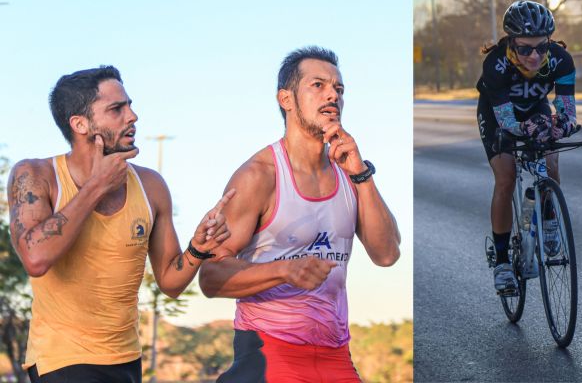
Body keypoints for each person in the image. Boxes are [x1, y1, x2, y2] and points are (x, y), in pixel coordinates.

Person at [7, 66, 234, 383]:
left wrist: (198, 249)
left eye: (129, 105)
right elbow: (36, 258)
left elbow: (170, 282)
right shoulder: (35, 175)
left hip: (127, 359)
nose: (133, 116)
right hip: (62, 359)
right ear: (80, 124)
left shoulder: (151, 185)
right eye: (117, 109)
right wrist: (95, 187)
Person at [199, 46, 401, 382]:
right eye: (317, 85)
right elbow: (210, 276)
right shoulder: (259, 176)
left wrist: (362, 174)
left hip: (336, 354)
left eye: (338, 89)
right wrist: (284, 270)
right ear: (286, 99)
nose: (332, 96)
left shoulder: (350, 171)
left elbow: (387, 254)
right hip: (270, 350)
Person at [476, 0, 577, 294]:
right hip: (498, 115)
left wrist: (563, 125)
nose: (535, 55)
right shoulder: (495, 64)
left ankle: (548, 220)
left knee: (551, 162)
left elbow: (567, 109)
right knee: (506, 179)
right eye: (525, 49)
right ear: (511, 43)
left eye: (541, 47)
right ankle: (503, 263)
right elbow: (506, 119)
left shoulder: (561, 60)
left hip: (535, 109)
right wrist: (526, 130)